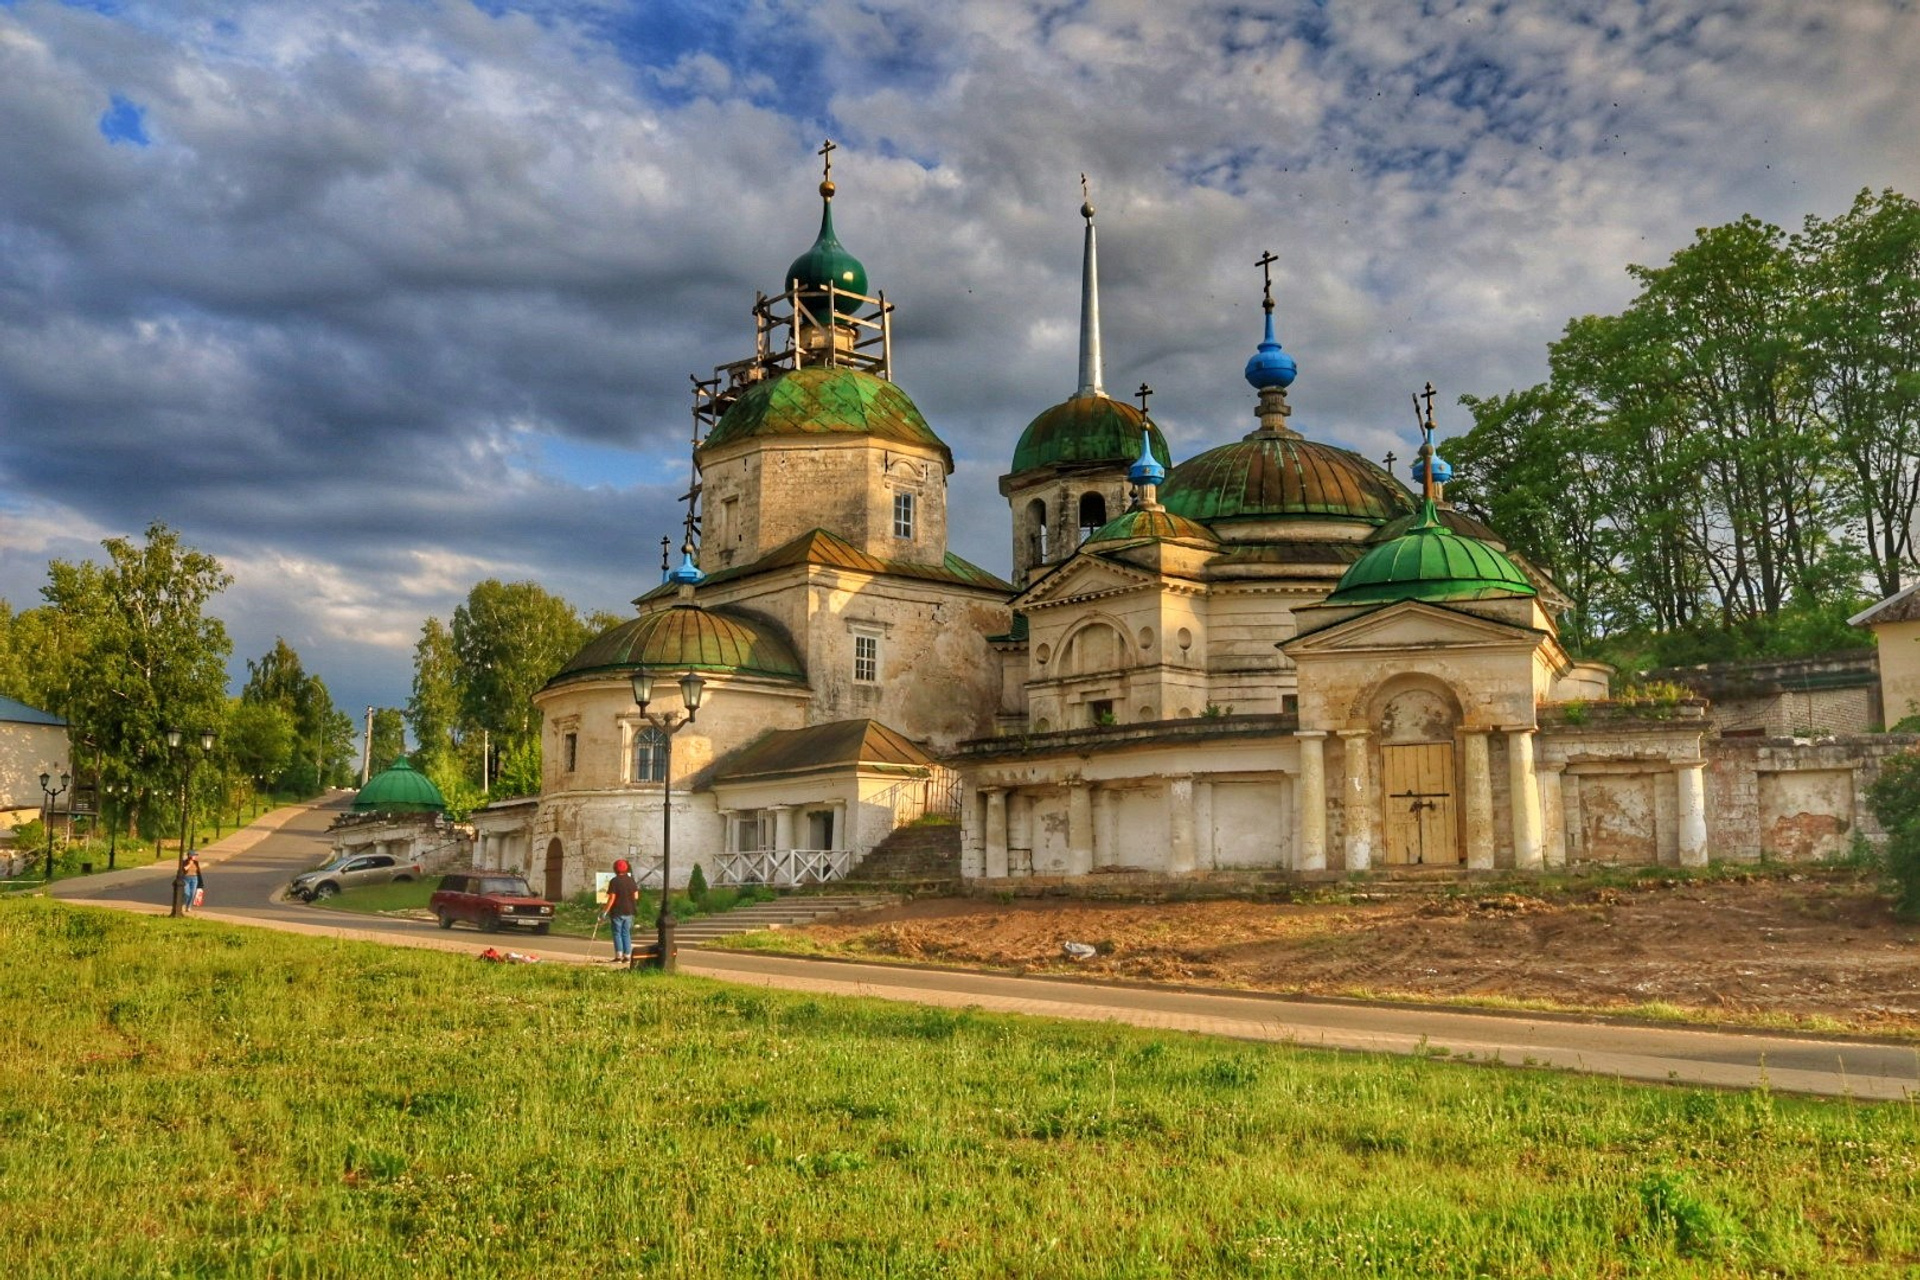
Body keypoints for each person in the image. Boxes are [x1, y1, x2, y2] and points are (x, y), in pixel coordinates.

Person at [600, 858, 640, 964]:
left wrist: (604, 912)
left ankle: (619, 956)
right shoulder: (631, 880)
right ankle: (627, 956)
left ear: (615, 869)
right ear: (626, 868)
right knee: (626, 933)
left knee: (617, 933)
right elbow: (636, 896)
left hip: (617, 911)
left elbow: (612, 898)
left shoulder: (614, 881)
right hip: (629, 911)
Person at [181, 851, 202, 915]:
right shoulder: (184, 862)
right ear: (190, 856)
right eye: (194, 855)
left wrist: (200, 880)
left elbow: (198, 871)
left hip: (194, 878)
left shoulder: (196, 862)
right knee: (187, 893)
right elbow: (184, 869)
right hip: (186, 878)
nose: (195, 857)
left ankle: (188, 906)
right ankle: (183, 904)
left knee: (192, 893)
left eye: (195, 855)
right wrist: (190, 864)